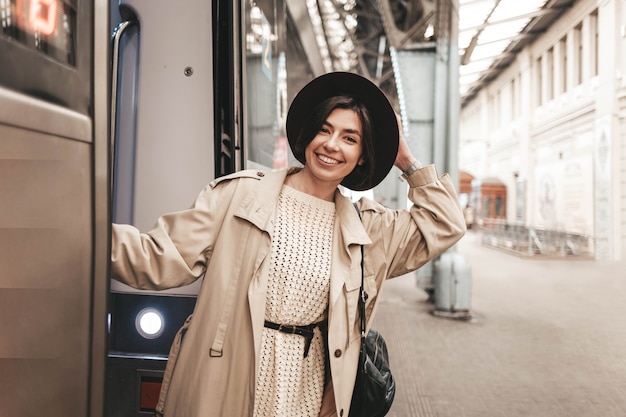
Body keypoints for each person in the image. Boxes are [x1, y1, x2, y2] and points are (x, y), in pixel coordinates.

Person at [111, 71, 466, 417]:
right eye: (324, 130)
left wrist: (404, 159)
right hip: (230, 375)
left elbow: (444, 223)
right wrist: (84, 229)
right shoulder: (240, 195)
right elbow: (156, 258)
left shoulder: (368, 229)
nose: (331, 144)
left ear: (362, 155)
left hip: (306, 392)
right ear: (308, 134)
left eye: (350, 138)